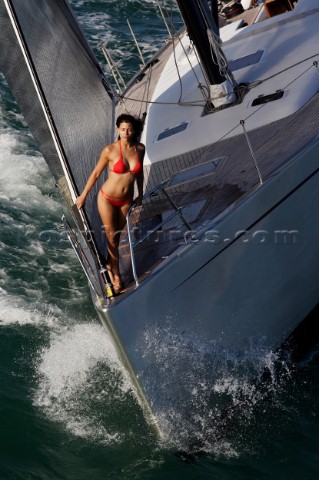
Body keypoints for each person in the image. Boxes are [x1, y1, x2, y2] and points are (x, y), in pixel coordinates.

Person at [76, 114, 145, 294]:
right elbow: (96, 174)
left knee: (117, 236)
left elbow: (139, 174)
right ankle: (116, 276)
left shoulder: (140, 149)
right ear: (118, 130)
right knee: (111, 237)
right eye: (122, 129)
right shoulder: (110, 150)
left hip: (126, 200)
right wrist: (83, 196)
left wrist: (141, 194)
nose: (126, 132)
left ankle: (109, 263)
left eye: (129, 129)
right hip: (106, 198)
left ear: (134, 130)